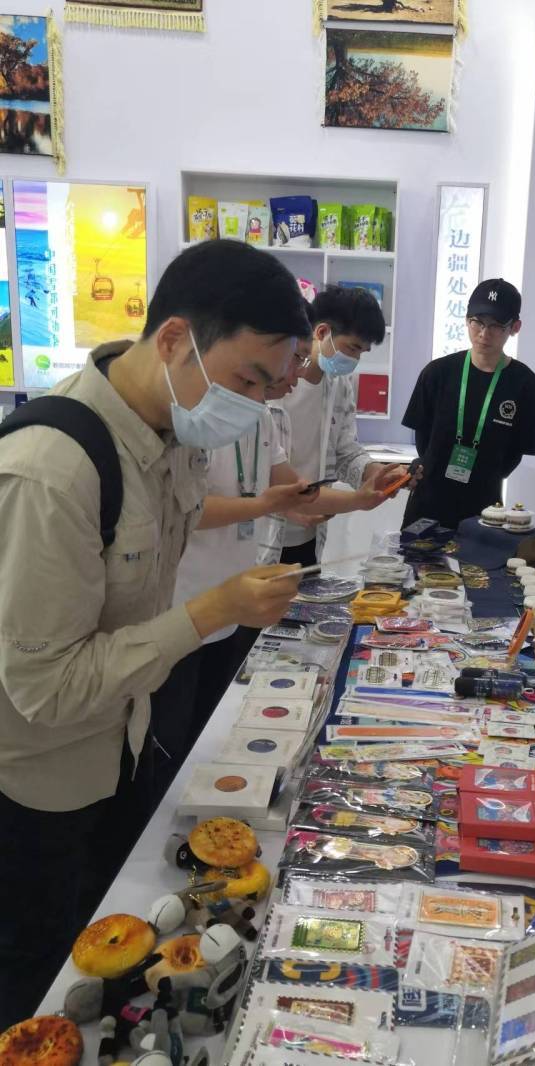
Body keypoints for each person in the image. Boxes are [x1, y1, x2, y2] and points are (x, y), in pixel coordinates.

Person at [0, 239, 308, 1027]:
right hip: (39, 790)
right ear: (174, 339)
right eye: (248, 380)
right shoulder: (52, 470)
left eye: (270, 387)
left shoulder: (171, 440)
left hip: (124, 748)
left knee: (119, 962)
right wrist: (211, 612)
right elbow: (44, 686)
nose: (255, 404)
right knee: (40, 992)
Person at [153, 332, 394, 791]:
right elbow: (186, 511)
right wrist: (263, 505)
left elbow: (292, 490)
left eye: (300, 360)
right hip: (184, 605)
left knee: (211, 724)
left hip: (233, 603)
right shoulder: (196, 417)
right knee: (169, 739)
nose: (297, 375)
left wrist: (360, 499)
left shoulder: (263, 418)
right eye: (293, 361)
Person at [262, 285, 409, 568]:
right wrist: (356, 500)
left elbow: (346, 451)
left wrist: (375, 473)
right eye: (352, 348)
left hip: (310, 532)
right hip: (263, 531)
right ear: (322, 332)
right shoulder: (271, 385)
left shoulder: (339, 386)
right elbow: (262, 471)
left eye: (362, 352)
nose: (354, 360)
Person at [401, 278, 535, 530]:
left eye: (496, 325)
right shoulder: (437, 373)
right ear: (467, 320)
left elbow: (515, 453)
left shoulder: (525, 383)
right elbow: (422, 439)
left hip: (485, 509)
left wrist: (484, 475)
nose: (484, 333)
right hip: (428, 503)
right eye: (478, 322)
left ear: (515, 327)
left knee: (479, 557)